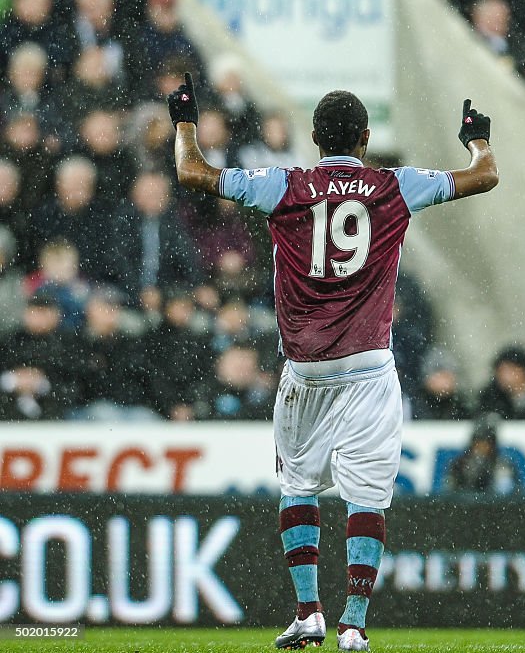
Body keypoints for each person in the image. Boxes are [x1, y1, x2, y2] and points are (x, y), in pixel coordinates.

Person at [167, 73, 498, 651]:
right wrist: (477, 138)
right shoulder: (396, 186)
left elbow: (192, 171)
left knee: (298, 487)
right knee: (367, 499)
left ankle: (307, 612)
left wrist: (186, 122)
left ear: (314, 139)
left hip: (306, 370)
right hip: (370, 367)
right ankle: (354, 624)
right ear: (366, 138)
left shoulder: (283, 184)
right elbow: (485, 176)